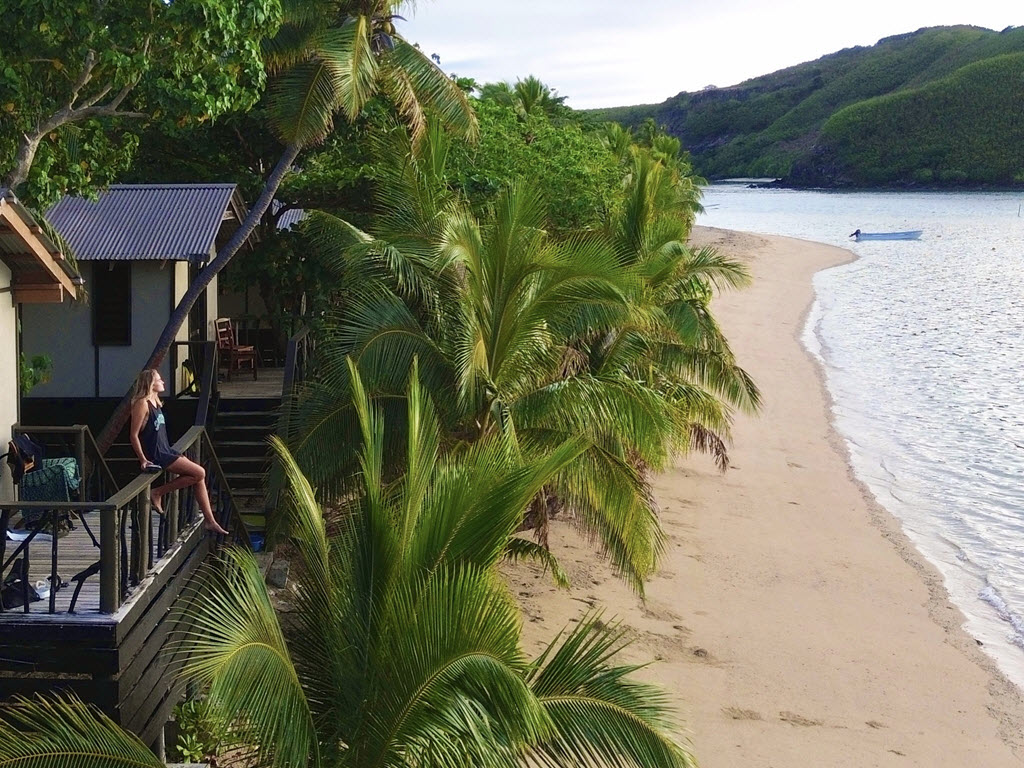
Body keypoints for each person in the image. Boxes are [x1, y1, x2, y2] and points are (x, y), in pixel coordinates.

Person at [129, 369, 229, 535]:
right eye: (159, 379)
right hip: (157, 453)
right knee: (200, 472)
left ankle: (210, 521)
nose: (163, 382)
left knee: (198, 478)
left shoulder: (156, 403)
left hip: (166, 449)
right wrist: (143, 459)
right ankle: (158, 492)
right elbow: (133, 435)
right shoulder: (142, 403)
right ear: (150, 383)